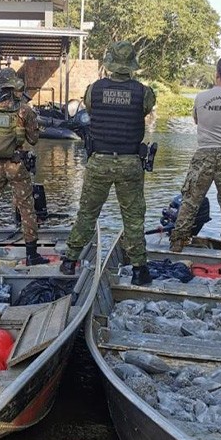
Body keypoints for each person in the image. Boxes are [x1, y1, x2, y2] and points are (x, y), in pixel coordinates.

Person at [59, 41, 156, 285]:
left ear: (111, 63)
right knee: (133, 218)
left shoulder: (94, 89)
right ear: (132, 64)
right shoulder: (143, 92)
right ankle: (139, 271)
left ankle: (69, 261)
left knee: (87, 213)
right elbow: (146, 110)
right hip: (129, 162)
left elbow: (91, 110)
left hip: (99, 161)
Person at [169, 56, 221, 258]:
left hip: (204, 152)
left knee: (190, 200)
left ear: (217, 72)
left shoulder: (201, 97)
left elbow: (197, 121)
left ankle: (177, 243)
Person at [0, 68, 49, 266]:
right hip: (16, 165)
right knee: (26, 208)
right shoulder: (24, 110)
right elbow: (33, 140)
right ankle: (31, 255)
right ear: (13, 87)